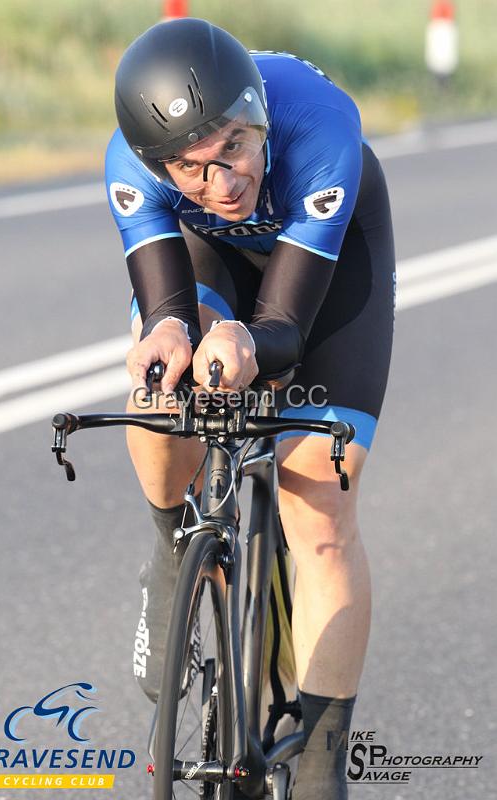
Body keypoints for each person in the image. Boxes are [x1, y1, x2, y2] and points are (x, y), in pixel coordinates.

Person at [105, 17, 395, 799]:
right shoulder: (130, 167)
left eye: (234, 148)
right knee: (158, 388)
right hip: (210, 259)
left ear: (259, 117)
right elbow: (166, 308)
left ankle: (320, 757)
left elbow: (286, 331)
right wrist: (167, 337)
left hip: (323, 254)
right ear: (156, 162)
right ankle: (174, 547)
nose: (221, 184)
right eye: (191, 171)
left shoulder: (321, 127)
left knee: (322, 507)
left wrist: (244, 341)